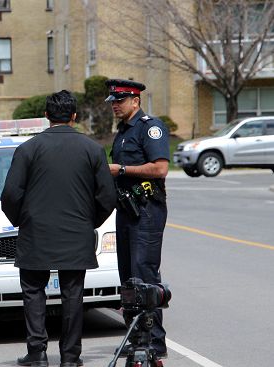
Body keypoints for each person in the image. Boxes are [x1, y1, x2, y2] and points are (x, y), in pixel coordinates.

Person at [1, 90, 117, 367]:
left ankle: (37, 352)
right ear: (74, 116)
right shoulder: (92, 149)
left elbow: (10, 196)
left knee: (32, 291)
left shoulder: (28, 149)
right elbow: (107, 197)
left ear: (46, 116)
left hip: (36, 232)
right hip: (76, 233)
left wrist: (21, 220)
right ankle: (70, 357)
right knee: (73, 295)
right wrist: (90, 222)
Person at [106, 79, 170, 358]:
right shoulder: (122, 131)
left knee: (144, 274)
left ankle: (155, 341)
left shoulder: (150, 128)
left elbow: (160, 169)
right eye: (113, 101)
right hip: (126, 209)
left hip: (146, 209)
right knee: (128, 277)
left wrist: (120, 170)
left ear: (136, 101)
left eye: (120, 100)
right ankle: (136, 337)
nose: (115, 106)